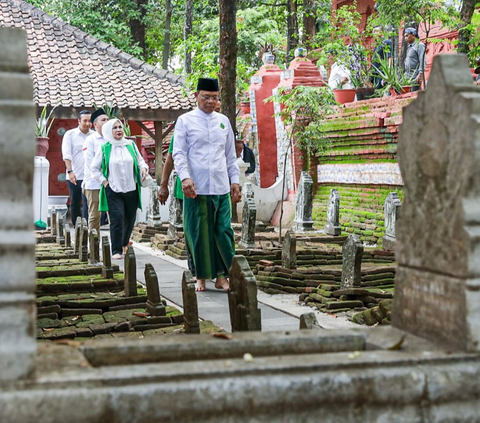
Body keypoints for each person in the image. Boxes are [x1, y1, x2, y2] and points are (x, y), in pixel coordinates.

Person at [172, 77, 241, 292]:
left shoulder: (223, 121)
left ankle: (222, 276)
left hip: (220, 186)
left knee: (223, 232)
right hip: (196, 188)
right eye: (206, 97)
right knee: (198, 233)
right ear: (196, 96)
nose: (210, 101)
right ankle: (200, 276)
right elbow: (179, 153)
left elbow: (230, 155)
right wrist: (184, 177)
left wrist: (235, 181)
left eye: (214, 98)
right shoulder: (185, 121)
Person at [91, 118, 148, 260]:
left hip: (132, 188)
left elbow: (141, 161)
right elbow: (94, 169)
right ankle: (115, 250)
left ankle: (124, 244)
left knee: (130, 219)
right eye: (114, 128)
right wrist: (104, 182)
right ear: (108, 131)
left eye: (120, 127)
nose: (118, 130)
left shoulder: (131, 145)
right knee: (117, 219)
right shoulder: (105, 148)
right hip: (113, 189)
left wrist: (143, 168)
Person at [62, 110, 92, 225]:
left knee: (88, 202)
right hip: (75, 174)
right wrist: (70, 171)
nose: (87, 123)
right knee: (75, 201)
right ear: (79, 121)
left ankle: (88, 226)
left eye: (89, 121)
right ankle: (76, 226)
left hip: (90, 176)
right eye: (85, 121)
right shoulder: (70, 135)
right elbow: (67, 154)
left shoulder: (94, 135)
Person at [82, 108, 109, 235]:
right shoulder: (90, 140)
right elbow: (90, 164)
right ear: (95, 124)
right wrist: (102, 178)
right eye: (103, 120)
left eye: (108, 119)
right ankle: (93, 243)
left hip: (111, 183)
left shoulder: (112, 138)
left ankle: (118, 243)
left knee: (114, 214)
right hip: (93, 183)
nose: (107, 122)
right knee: (94, 216)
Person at [403, 27, 426, 92]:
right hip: (407, 75)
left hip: (415, 76)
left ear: (413, 35)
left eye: (407, 36)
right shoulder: (409, 46)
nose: (405, 38)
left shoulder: (419, 45)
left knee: (414, 94)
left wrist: (420, 74)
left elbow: (422, 60)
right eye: (405, 36)